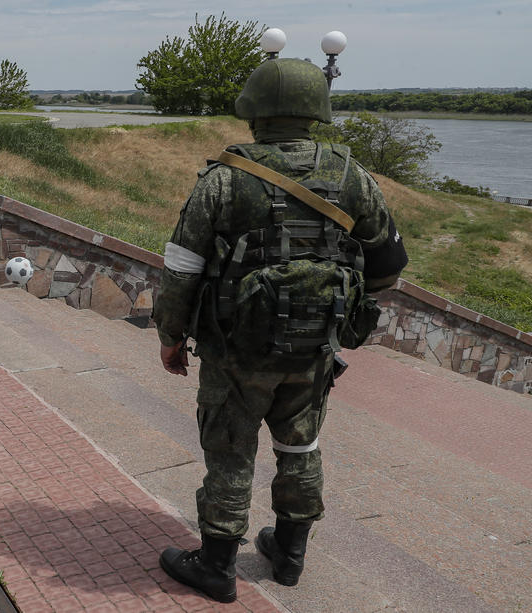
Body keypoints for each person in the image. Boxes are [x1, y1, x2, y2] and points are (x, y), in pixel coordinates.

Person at [152, 58, 408, 602]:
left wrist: (170, 336)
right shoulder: (350, 175)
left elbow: (181, 269)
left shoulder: (223, 179)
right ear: (316, 111)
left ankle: (217, 565)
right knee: (302, 445)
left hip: (235, 349)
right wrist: (333, 309)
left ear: (253, 111)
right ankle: (290, 553)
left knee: (230, 449)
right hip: (315, 349)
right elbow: (387, 264)